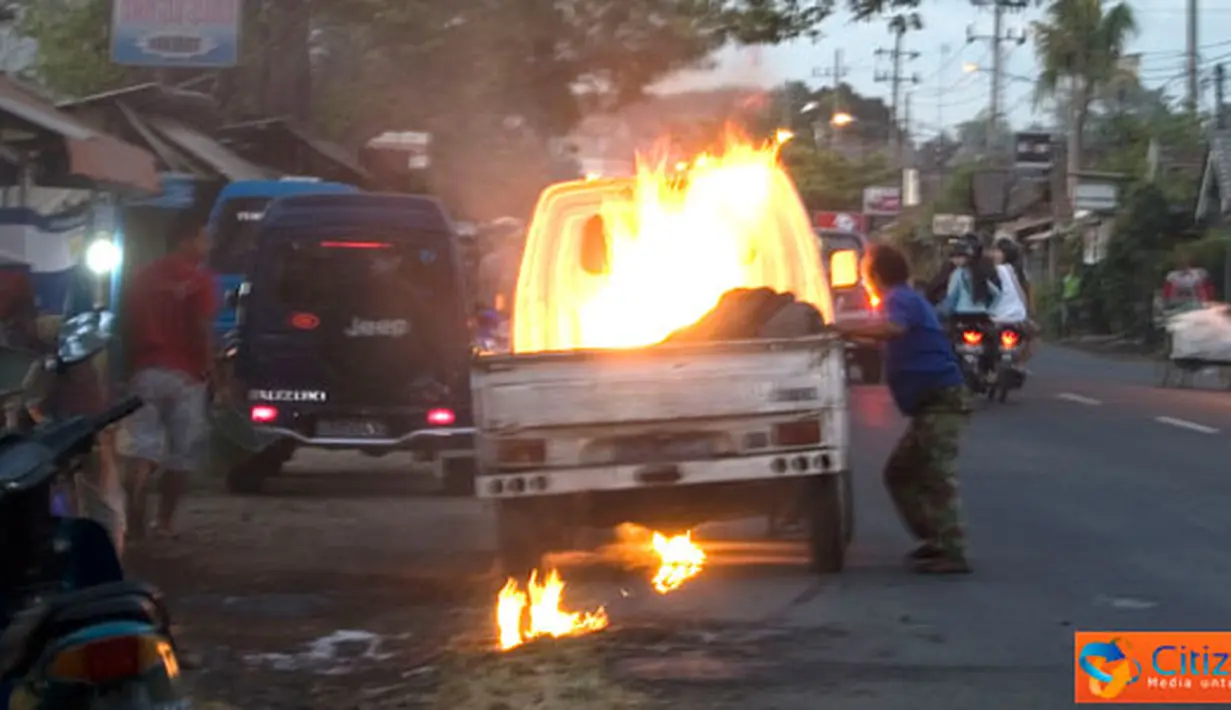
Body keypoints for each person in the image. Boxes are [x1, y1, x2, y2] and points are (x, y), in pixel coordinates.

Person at [833, 243, 972, 574]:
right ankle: (935, 539)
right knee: (899, 473)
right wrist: (845, 337)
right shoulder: (902, 300)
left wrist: (842, 328)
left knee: (937, 474)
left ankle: (953, 551)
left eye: (865, 275)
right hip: (929, 402)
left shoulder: (899, 299)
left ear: (876, 276)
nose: (864, 283)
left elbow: (893, 329)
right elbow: (884, 336)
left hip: (942, 397)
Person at [119, 216, 216, 541]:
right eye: (203, 238)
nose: (208, 246)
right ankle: (164, 524)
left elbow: (125, 326)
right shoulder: (199, 280)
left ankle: (134, 519)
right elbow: (201, 329)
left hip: (145, 371)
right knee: (181, 453)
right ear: (185, 241)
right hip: (186, 376)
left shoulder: (140, 278)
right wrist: (212, 369)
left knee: (142, 449)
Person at [989, 238, 1035, 363]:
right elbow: (1028, 294)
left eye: (997, 251)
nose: (994, 254)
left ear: (1006, 254)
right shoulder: (1020, 272)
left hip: (997, 316)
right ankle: (1020, 363)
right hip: (1019, 316)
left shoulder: (996, 270)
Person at [1060, 265, 1082, 338]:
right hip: (1067, 300)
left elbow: (1079, 290)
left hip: (1074, 299)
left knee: (1075, 316)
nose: (1073, 271)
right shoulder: (1066, 280)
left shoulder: (1077, 280)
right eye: (1072, 270)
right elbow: (1063, 290)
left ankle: (1075, 333)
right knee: (1067, 317)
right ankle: (1067, 333)